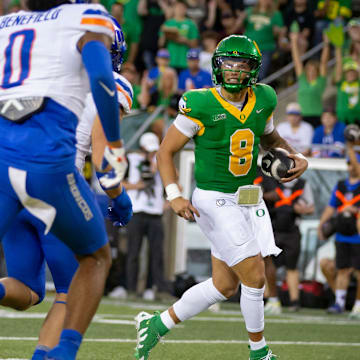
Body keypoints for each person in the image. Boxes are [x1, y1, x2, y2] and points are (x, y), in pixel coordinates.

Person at [134, 34, 308, 360]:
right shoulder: (200, 102)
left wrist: (294, 154)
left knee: (224, 286)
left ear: (253, 69)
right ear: (217, 65)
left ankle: (157, 324)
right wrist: (174, 195)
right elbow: (165, 152)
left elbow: (269, 136)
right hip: (214, 198)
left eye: (241, 64)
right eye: (228, 62)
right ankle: (259, 352)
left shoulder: (265, 98)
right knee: (255, 277)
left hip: (247, 197)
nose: (233, 70)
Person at [0, 1, 129, 359]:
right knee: (94, 262)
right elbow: (101, 79)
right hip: (47, 174)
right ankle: (61, 353)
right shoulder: (86, 19)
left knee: (28, 289)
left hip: (1, 164)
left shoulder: (8, 23)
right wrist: (118, 193)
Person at [123, 132, 173, 301]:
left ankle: (156, 288)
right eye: (149, 151)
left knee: (157, 254)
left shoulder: (160, 162)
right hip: (136, 211)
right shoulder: (130, 160)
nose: (151, 154)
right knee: (133, 252)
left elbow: (175, 179)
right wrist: (137, 185)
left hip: (155, 214)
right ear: (142, 149)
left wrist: (159, 165)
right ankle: (131, 289)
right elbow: (117, 182)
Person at [263, 176, 314, 314]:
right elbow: (261, 197)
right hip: (273, 229)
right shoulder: (270, 181)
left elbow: (311, 208)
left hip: (292, 231)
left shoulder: (302, 184)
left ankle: (294, 301)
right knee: (268, 264)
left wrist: (302, 209)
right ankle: (269, 299)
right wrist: (266, 196)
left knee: (291, 267)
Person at [318, 154, 360, 315]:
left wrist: (354, 210)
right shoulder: (341, 185)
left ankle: (358, 305)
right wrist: (321, 224)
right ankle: (339, 303)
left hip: (358, 236)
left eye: (354, 163)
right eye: (349, 163)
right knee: (342, 269)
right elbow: (331, 206)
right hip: (342, 235)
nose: (351, 167)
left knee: (358, 272)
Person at [290, 28, 329, 129]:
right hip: (302, 117)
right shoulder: (302, 79)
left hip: (317, 116)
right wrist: (294, 42)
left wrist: (326, 43)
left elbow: (324, 62)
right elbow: (297, 61)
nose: (311, 72)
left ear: (317, 71)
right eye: (309, 69)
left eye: (313, 70)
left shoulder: (320, 81)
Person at [158, 0, 199, 74]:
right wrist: (165, 35)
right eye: (177, 7)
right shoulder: (168, 23)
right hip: (170, 60)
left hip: (185, 61)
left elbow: (195, 45)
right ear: (173, 9)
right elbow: (160, 44)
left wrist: (186, 41)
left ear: (185, 9)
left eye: (182, 7)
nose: (179, 9)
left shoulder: (191, 24)